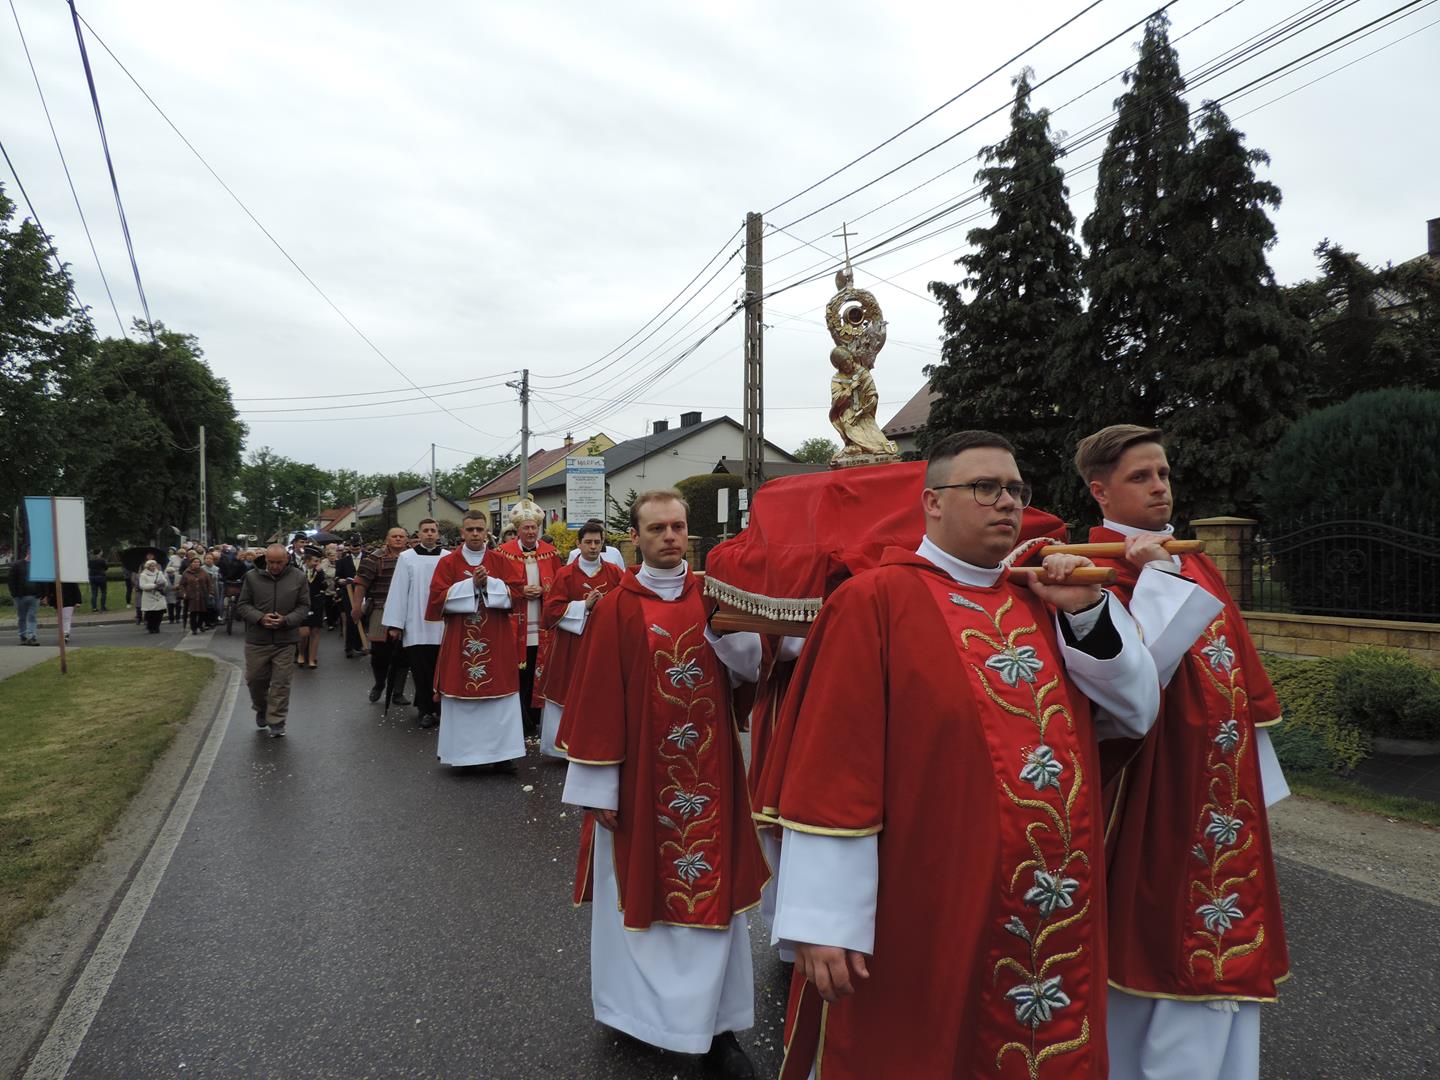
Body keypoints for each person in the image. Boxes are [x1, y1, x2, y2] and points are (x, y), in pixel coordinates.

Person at [756, 430, 1162, 1079]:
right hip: (925, 901)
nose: (1006, 502)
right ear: (933, 503)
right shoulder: (874, 601)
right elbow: (835, 768)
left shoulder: (1049, 596)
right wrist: (823, 919)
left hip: (1049, 907)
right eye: (984, 487)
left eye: (1015, 490)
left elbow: (1136, 710)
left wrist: (1087, 613)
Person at [1073, 425, 1290, 1080]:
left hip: (1223, 792)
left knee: (1230, 934)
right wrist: (1153, 579)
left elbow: (1239, 679)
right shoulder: (1092, 570)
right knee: (1160, 933)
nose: (1161, 487)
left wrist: (1259, 782)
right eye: (1142, 477)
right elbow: (1135, 682)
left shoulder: (1191, 559)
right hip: (1150, 788)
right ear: (1100, 490)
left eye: (1163, 473)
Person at [558, 490, 767, 1080]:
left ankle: (719, 1027)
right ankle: (640, 1015)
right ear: (637, 538)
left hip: (711, 777)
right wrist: (599, 789)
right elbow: (596, 699)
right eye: (657, 529)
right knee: (639, 898)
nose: (670, 537)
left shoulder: (715, 597)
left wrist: (738, 641)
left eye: (678, 527)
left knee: (714, 896)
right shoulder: (618, 606)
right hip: (639, 781)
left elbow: (752, 672)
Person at [423, 512, 526, 772]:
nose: (476, 534)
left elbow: (517, 594)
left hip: (496, 639)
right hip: (461, 641)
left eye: (480, 529)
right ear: (462, 532)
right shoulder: (448, 563)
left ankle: (503, 756)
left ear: (487, 531)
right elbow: (436, 600)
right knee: (462, 697)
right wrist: (471, 585)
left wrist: (488, 583)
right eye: (470, 529)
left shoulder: (500, 561)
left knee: (500, 698)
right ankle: (465, 757)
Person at [537, 519, 625, 758]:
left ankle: (599, 745)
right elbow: (550, 612)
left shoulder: (615, 573)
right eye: (588, 542)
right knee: (566, 689)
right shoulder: (565, 575)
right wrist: (583, 606)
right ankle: (561, 748)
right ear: (579, 544)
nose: (593, 547)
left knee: (600, 693)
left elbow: (627, 606)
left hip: (604, 645)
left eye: (598, 542)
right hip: (571, 645)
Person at [495, 501, 559, 734]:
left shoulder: (550, 553)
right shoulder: (503, 553)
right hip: (516, 623)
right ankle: (519, 719)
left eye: (534, 528)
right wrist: (521, 592)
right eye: (526, 528)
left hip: (541, 624)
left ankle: (534, 718)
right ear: (518, 530)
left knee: (537, 672)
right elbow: (496, 587)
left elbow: (558, 585)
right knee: (518, 674)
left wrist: (544, 591)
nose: (531, 532)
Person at [236, 544, 310, 737]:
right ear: (265, 559)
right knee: (255, 680)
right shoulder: (252, 577)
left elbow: (303, 606)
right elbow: (243, 605)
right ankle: (262, 708)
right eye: (271, 562)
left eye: (279, 562)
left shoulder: (298, 577)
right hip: (257, 640)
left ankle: (277, 720)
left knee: (281, 682)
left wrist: (286, 620)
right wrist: (260, 618)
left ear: (286, 560)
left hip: (285, 640)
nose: (275, 566)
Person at [380, 519, 447, 727]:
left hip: (442, 624)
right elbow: (399, 590)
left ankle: (438, 708)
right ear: (418, 534)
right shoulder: (407, 558)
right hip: (416, 622)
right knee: (420, 669)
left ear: (438, 534)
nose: (429, 534)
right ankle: (425, 710)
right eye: (425, 530)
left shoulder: (448, 558)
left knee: (439, 670)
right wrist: (395, 624)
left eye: (433, 531)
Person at [353, 527, 411, 707]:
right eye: (394, 536)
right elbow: (361, 584)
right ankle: (379, 683)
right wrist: (357, 607)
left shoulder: (412, 558)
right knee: (379, 653)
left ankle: (398, 692)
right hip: (380, 608)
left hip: (406, 610)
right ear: (387, 539)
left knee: (404, 654)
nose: (398, 539)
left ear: (406, 539)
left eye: (402, 536)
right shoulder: (374, 558)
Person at [335, 536, 367, 658]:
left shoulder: (368, 559)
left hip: (364, 592)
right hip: (349, 592)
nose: (355, 550)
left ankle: (360, 645)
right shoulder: (343, 561)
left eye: (357, 548)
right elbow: (337, 578)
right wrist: (342, 581)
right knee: (350, 619)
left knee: (363, 617)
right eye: (353, 548)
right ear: (349, 548)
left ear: (361, 547)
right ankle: (349, 647)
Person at [299, 549, 327, 669]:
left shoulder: (319, 572)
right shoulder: (298, 571)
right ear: (307, 560)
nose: (317, 563)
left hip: (316, 603)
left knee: (315, 631)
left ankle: (312, 658)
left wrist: (321, 575)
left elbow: (323, 586)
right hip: (302, 603)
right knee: (304, 632)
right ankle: (301, 654)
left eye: (318, 561)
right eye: (315, 561)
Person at [8, 552, 40, 646]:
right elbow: (11, 580)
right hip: (20, 597)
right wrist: (14, 594)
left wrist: (43, 594)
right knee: (22, 617)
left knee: (32, 616)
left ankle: (32, 636)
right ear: (28, 553)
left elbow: (42, 581)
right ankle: (23, 636)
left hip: (34, 596)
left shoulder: (37, 566)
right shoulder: (17, 565)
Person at [178, 557, 211, 635]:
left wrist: (210, 592)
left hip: (202, 595)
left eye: (198, 562)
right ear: (191, 563)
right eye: (195, 562)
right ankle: (194, 628)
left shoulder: (204, 572)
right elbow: (182, 585)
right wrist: (184, 593)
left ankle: (200, 625)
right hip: (191, 595)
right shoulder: (186, 573)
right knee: (193, 612)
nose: (196, 564)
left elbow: (209, 584)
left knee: (202, 612)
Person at [138, 558, 167, 633]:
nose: (153, 567)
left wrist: (162, 583)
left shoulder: (159, 573)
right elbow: (142, 586)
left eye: (154, 566)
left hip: (158, 595)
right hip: (149, 596)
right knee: (150, 614)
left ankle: (157, 627)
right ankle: (150, 627)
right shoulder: (143, 575)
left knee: (159, 613)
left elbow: (165, 582)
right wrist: (154, 586)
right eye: (151, 566)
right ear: (147, 567)